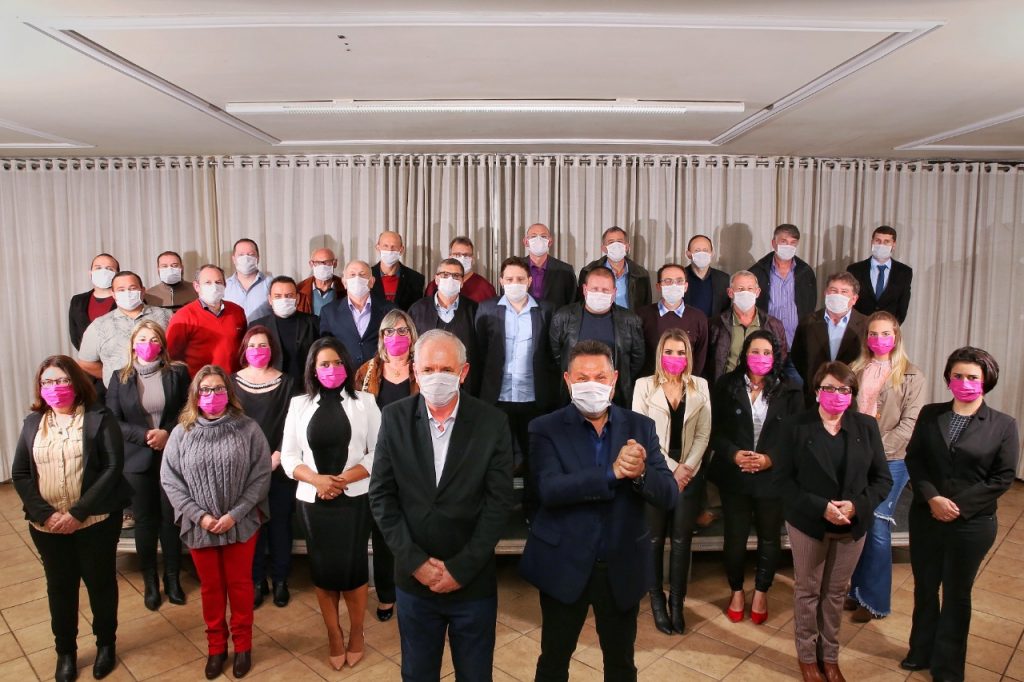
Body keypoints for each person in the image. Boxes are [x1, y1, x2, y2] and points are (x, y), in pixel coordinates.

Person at [520, 340, 677, 681]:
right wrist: (612, 473)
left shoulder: (640, 427)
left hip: (620, 566)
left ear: (614, 379)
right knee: (553, 662)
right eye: (582, 377)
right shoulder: (544, 428)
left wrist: (641, 474)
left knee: (621, 665)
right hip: (564, 563)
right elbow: (549, 489)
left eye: (600, 377)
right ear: (567, 380)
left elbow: (669, 494)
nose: (592, 384)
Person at [369, 330, 514, 681]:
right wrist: (416, 563)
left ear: (463, 372)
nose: (437, 377)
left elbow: (498, 503)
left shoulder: (492, 422)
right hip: (414, 582)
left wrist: (461, 568)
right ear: (415, 372)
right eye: (428, 369)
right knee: (417, 674)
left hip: (472, 583)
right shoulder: (394, 418)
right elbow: (382, 496)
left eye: (446, 369)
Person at [902, 347, 1019, 682]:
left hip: (972, 523)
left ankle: (948, 667)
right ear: (948, 379)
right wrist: (933, 498)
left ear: (986, 381)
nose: (964, 382)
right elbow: (915, 459)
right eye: (958, 376)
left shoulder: (1003, 425)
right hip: (926, 515)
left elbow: (1003, 477)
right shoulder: (930, 414)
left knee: (956, 593)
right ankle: (920, 651)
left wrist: (957, 506)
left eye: (972, 377)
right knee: (925, 587)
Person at [12, 356, 130, 682]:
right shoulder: (33, 423)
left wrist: (78, 513)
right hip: (46, 526)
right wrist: (46, 515)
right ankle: (65, 652)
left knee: (100, 584)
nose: (55, 387)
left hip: (96, 521)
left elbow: (112, 468)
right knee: (60, 588)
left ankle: (106, 644)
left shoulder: (99, 418)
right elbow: (20, 473)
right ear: (40, 387)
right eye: (48, 382)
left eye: (62, 380)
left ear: (76, 384)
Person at [772, 361, 891, 682]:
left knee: (836, 593)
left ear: (852, 394)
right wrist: (821, 508)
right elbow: (782, 481)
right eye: (829, 388)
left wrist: (856, 506)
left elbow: (882, 480)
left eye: (844, 390)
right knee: (808, 591)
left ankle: (830, 656)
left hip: (852, 525)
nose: (836, 395)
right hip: (809, 523)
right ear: (816, 392)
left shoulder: (866, 426)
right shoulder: (795, 426)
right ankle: (807, 657)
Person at [161, 365, 271, 680]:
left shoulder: (248, 428)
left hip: (241, 523)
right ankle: (216, 648)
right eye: (206, 390)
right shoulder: (181, 433)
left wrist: (235, 514)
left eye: (218, 389)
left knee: (240, 586)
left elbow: (261, 474)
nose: (212, 395)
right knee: (211, 589)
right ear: (195, 395)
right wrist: (202, 517)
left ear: (229, 393)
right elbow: (170, 480)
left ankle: (243, 646)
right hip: (199, 526)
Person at [281, 337, 381, 670]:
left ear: (347, 366)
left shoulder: (365, 402)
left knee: (353, 570)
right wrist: (317, 480)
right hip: (313, 502)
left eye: (338, 363)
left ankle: (356, 633)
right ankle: (334, 634)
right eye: (324, 364)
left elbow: (378, 452)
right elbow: (289, 457)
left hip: (354, 499)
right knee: (323, 572)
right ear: (313, 368)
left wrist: (341, 480)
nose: (332, 369)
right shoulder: (298, 404)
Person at [709, 330, 803, 626]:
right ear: (744, 354)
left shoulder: (791, 390)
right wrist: (734, 454)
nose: (760, 357)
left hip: (772, 476)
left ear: (775, 356)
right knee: (735, 537)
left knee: (769, 537)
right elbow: (714, 431)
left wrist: (770, 459)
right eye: (754, 351)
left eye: (766, 352)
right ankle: (736, 591)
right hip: (734, 474)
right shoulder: (726, 385)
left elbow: (796, 436)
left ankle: (761, 592)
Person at [845, 312, 925, 622]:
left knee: (877, 525)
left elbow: (910, 424)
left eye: (886, 334)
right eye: (874, 334)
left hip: (892, 459)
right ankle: (856, 591)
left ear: (896, 337)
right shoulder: (854, 369)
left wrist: (875, 452)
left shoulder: (912, 375)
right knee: (858, 524)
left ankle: (875, 601)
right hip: (856, 458)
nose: (879, 339)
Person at [105, 320, 191, 611]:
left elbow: (188, 409)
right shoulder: (120, 377)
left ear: (162, 345)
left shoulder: (177, 373)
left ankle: (173, 579)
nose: (148, 344)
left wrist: (167, 432)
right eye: (142, 339)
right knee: (145, 521)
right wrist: (144, 436)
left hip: (171, 455)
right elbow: (112, 419)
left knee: (170, 519)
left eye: (154, 339)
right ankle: (151, 582)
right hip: (136, 459)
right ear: (132, 345)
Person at [632, 329, 711, 635]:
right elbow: (641, 433)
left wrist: (686, 469)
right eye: (669, 352)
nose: (675, 357)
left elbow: (704, 433)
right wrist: (672, 470)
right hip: (656, 472)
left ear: (688, 356)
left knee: (681, 540)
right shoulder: (644, 385)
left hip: (689, 473)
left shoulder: (700, 385)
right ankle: (657, 602)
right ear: (660, 354)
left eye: (681, 352)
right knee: (653, 540)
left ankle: (677, 604)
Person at [475, 256, 559, 520]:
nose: (515, 283)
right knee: (496, 457)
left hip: (533, 397)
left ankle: (532, 511)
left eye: (520, 279)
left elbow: (551, 354)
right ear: (501, 281)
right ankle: (496, 511)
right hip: (497, 396)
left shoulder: (546, 310)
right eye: (509, 279)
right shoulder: (487, 308)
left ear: (530, 281)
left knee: (535, 457)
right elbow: (480, 351)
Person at [354, 309, 420, 623]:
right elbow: (355, 417)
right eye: (389, 331)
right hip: (379, 462)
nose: (396, 337)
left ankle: (415, 587)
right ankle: (386, 594)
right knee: (384, 530)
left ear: (412, 335)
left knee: (416, 527)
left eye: (403, 331)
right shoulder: (367, 371)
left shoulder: (422, 368)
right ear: (381, 337)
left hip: (417, 461)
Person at [231, 326, 296, 609]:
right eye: (253, 346)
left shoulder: (288, 383)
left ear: (273, 350)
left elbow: (292, 423)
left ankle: (281, 580)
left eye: (264, 345)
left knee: (280, 524)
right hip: (244, 468)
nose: (258, 351)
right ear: (244, 350)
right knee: (252, 525)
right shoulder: (231, 382)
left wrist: (278, 455)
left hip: (279, 465)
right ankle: (257, 580)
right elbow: (230, 423)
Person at [550, 267, 645, 407]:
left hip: (616, 396)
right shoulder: (563, 317)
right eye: (594, 289)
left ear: (614, 292)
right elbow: (557, 355)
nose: (599, 294)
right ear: (584, 290)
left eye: (605, 290)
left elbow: (637, 359)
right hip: (575, 395)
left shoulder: (630, 320)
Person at [77, 271, 172, 386]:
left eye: (132, 288)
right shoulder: (99, 325)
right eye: (121, 290)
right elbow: (86, 363)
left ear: (142, 291)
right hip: (119, 391)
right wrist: (112, 376)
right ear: (113, 294)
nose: (127, 293)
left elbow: (179, 350)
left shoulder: (167, 316)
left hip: (162, 387)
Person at [790, 272, 868, 404]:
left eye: (844, 292)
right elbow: (797, 357)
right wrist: (814, 379)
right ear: (826, 293)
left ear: (854, 299)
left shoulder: (866, 325)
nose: (838, 295)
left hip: (849, 397)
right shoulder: (808, 322)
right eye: (834, 290)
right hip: (814, 396)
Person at [408, 258, 480, 392]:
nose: (450, 279)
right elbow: (410, 348)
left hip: (464, 385)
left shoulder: (474, 310)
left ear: (462, 282)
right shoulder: (417, 310)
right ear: (436, 279)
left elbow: (480, 352)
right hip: (426, 385)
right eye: (445, 275)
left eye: (456, 276)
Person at [708, 270, 791, 382]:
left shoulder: (774, 325)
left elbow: (780, 359)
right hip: (726, 386)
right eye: (740, 289)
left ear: (757, 292)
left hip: (762, 387)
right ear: (730, 293)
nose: (745, 293)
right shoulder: (716, 325)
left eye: (750, 289)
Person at [165, 265, 248, 376]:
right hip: (200, 383)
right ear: (197, 286)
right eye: (208, 283)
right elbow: (171, 356)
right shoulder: (183, 316)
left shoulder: (237, 311)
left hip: (234, 381)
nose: (214, 287)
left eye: (218, 282)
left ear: (225, 285)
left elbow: (244, 349)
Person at [749, 224, 818, 348]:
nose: (788, 246)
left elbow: (810, 306)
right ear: (773, 243)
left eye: (793, 242)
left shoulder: (806, 272)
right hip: (766, 344)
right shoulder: (757, 272)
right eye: (784, 241)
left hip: (798, 343)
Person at [248, 275, 320, 392]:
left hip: (305, 389)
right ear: (270, 299)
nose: (284, 300)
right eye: (278, 296)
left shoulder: (314, 323)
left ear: (297, 298)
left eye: (289, 296)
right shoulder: (257, 326)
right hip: (270, 390)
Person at [636, 263, 709, 376]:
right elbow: (637, 355)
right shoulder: (642, 315)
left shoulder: (699, 318)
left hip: (686, 381)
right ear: (658, 286)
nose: (674, 285)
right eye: (668, 281)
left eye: (679, 281)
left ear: (685, 286)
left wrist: (689, 381)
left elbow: (700, 357)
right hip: (650, 381)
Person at [319, 260, 396, 367]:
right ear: (344, 282)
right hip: (345, 372)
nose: (357, 279)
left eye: (362, 274)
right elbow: (325, 348)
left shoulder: (389, 309)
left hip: (379, 371)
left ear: (371, 282)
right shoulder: (329, 312)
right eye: (352, 275)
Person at [847, 225, 913, 323]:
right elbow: (849, 301)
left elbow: (903, 305)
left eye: (886, 242)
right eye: (878, 241)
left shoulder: (904, 272)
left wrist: (892, 327)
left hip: (888, 327)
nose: (881, 245)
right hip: (858, 326)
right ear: (872, 242)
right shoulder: (854, 270)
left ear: (893, 245)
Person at [577, 226, 652, 312]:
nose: (616, 246)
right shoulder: (588, 272)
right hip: (598, 319)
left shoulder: (641, 274)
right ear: (604, 248)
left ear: (627, 247)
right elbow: (581, 303)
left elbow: (646, 307)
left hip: (629, 319)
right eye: (611, 242)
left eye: (619, 241)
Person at [68, 253, 120, 350]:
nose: (103, 272)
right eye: (98, 268)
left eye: (109, 269)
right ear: (90, 273)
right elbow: (75, 336)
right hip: (87, 357)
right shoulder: (77, 301)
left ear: (117, 275)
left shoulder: (127, 299)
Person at [423, 236, 497, 303]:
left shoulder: (486, 288)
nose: (462, 258)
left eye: (466, 255)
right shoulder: (435, 285)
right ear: (450, 257)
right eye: (457, 254)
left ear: (473, 259)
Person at [523, 223, 577, 308]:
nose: (539, 240)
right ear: (526, 242)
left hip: (555, 316)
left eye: (543, 236)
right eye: (533, 236)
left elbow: (572, 304)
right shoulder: (515, 268)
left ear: (550, 242)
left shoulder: (566, 270)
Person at [371, 230, 426, 311]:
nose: (390, 250)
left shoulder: (415, 279)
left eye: (394, 246)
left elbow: (416, 312)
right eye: (385, 246)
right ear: (378, 247)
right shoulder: (367, 276)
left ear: (401, 249)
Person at [224, 238, 272, 322]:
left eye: (251, 254)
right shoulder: (224, 286)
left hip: (263, 330)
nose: (246, 258)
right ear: (234, 259)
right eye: (241, 255)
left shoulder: (271, 284)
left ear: (258, 258)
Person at [683, 234, 730, 319]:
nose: (702, 254)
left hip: (715, 327)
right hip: (685, 326)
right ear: (688, 254)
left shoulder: (724, 279)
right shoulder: (679, 278)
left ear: (712, 253)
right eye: (697, 250)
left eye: (705, 250)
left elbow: (726, 311)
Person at [297, 247, 345, 316]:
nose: (322, 266)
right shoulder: (300, 289)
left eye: (327, 262)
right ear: (311, 264)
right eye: (318, 263)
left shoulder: (345, 287)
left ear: (335, 263)